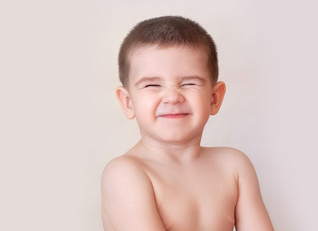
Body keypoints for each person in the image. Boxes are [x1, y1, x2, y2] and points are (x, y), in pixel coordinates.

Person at [101, 16, 273, 231]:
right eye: (152, 85)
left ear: (214, 98)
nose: (172, 97)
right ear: (128, 102)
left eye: (189, 83)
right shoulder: (126, 173)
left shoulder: (234, 167)